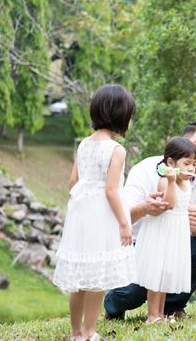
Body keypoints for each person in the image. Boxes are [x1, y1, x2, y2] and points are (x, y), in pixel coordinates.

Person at [104, 121, 196, 319]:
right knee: (135, 292)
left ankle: (171, 307)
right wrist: (144, 208)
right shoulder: (147, 169)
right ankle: (113, 302)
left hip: (177, 243)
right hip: (140, 245)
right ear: (181, 144)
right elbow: (122, 218)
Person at [53, 84, 137, 341]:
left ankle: (76, 333)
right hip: (103, 215)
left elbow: (72, 183)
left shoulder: (84, 145)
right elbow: (112, 190)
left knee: (80, 276)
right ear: (121, 116)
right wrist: (124, 223)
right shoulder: (116, 150)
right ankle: (90, 332)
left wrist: (85, 200)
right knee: (97, 277)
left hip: (81, 214)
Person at [135, 137, 196, 323]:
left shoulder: (186, 183)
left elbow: (185, 205)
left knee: (165, 278)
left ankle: (161, 314)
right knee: (157, 277)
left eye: (194, 165)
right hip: (162, 233)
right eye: (186, 164)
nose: (191, 169)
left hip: (175, 235)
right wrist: (171, 181)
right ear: (171, 163)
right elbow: (170, 204)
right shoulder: (165, 182)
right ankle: (152, 316)